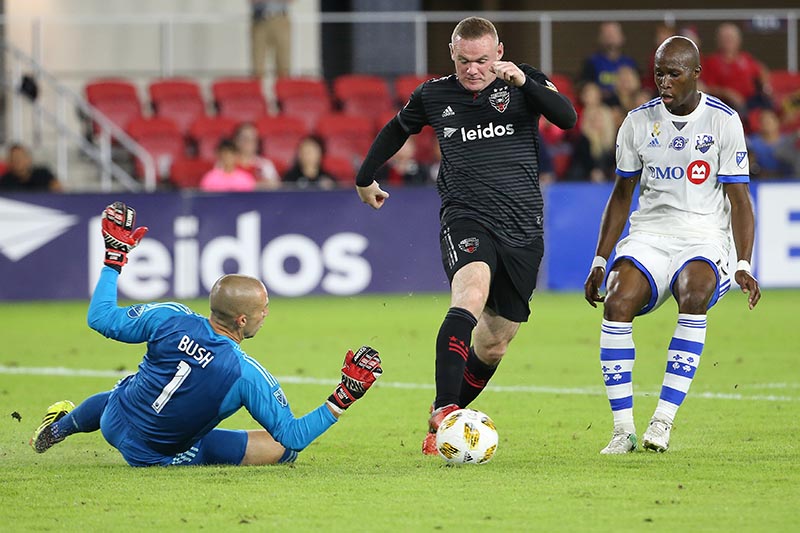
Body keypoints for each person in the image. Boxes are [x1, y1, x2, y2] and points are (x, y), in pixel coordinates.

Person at [353, 16, 577, 455]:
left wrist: (526, 84)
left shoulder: (525, 81)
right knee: (470, 295)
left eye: (482, 61)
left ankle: (440, 422)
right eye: (463, 61)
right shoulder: (434, 94)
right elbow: (398, 129)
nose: (473, 70)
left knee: (494, 343)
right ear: (452, 56)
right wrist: (365, 177)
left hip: (523, 227)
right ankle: (447, 410)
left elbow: (567, 118)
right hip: (466, 216)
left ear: (498, 53)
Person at [29, 201, 382, 466]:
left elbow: (101, 318)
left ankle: (59, 430)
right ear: (242, 320)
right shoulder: (245, 373)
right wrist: (343, 396)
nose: (267, 313)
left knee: (124, 390)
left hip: (112, 421)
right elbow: (293, 435)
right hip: (151, 455)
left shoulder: (170, 316)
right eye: (264, 308)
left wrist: (113, 259)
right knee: (283, 450)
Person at [583, 36, 760, 454]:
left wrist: (744, 262)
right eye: (658, 72)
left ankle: (662, 421)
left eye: (673, 73)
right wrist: (599, 259)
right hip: (650, 235)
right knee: (617, 301)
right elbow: (622, 195)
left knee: (694, 291)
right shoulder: (638, 122)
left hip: (704, 236)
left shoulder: (723, 121)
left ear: (696, 74)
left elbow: (739, 200)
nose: (663, 81)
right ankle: (623, 429)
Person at [703, 23, 772, 114]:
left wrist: (765, 85)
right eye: (725, 38)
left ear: (738, 40)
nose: (728, 41)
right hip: (727, 102)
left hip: (750, 99)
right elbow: (707, 87)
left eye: (731, 38)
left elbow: (761, 70)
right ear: (718, 41)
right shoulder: (712, 61)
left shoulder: (745, 58)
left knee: (769, 106)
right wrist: (728, 93)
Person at [579, 22, 639, 100]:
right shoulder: (591, 62)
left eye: (614, 33)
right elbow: (585, 88)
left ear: (622, 37)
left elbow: (637, 88)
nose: (610, 37)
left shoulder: (630, 62)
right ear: (599, 38)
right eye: (607, 33)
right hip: (602, 105)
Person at [746, 108, 796, 179]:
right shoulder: (752, 143)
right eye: (763, 121)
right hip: (759, 179)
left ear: (777, 122)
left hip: (787, 180)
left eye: (770, 120)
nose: (767, 123)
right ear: (759, 124)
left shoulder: (788, 142)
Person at [250, 0, 292, 79]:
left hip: (280, 18)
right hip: (260, 20)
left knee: (283, 64)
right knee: (257, 66)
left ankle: (283, 89)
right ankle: (257, 89)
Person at [233, 122, 281, 189]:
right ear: (236, 141)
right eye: (244, 138)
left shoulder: (265, 164)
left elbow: (275, 186)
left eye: (253, 139)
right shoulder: (226, 163)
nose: (249, 142)